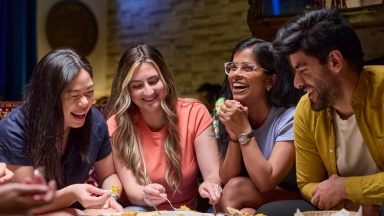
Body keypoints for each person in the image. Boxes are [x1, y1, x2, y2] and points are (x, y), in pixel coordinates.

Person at [257, 8, 384, 216]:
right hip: (346, 209)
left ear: (335, 61)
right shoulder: (307, 110)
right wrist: (351, 204)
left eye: (303, 71)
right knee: (272, 212)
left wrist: (344, 188)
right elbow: (307, 183)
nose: (297, 83)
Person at [0, 48, 124, 215]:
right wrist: (72, 194)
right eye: (74, 96)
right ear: (49, 98)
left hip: (73, 207)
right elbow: (29, 203)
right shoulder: (15, 128)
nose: (85, 103)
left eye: (89, 92)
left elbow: (108, 176)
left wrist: (112, 196)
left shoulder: (94, 121)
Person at [104, 44, 222, 211]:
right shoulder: (117, 124)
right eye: (137, 86)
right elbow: (132, 191)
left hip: (186, 212)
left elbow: (213, 174)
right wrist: (146, 193)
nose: (148, 91)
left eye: (153, 81)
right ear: (127, 91)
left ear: (165, 78)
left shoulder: (195, 112)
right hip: (140, 210)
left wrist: (210, 185)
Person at [214, 37, 304, 215]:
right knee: (245, 210)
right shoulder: (232, 114)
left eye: (247, 68)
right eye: (232, 67)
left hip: (293, 198)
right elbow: (226, 178)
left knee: (235, 190)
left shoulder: (290, 118)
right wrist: (234, 133)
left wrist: (244, 130)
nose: (236, 74)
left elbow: (266, 181)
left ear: (270, 81)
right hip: (253, 197)